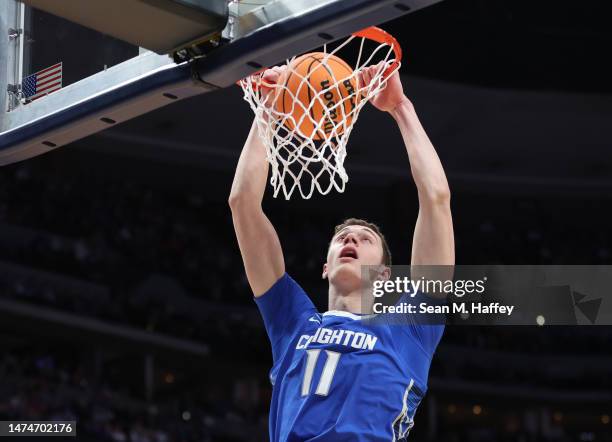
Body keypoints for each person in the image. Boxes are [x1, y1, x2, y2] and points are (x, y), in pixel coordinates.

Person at [229, 63, 454, 441]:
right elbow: (242, 203)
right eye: (343, 238)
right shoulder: (293, 321)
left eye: (365, 240)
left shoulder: (409, 329)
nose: (351, 241)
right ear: (324, 267)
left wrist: (400, 107)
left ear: (383, 275)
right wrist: (267, 107)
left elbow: (437, 200)